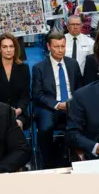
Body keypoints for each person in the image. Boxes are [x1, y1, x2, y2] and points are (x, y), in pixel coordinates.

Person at [32, 33, 83, 168]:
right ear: (49, 46)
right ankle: (48, 162)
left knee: (89, 121)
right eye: (56, 47)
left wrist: (74, 103)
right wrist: (57, 105)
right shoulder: (39, 68)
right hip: (50, 107)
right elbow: (37, 94)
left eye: (63, 46)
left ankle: (78, 158)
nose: (61, 50)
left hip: (72, 105)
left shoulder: (73, 64)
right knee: (45, 127)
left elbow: (80, 88)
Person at [0, 33, 30, 130]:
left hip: (18, 112)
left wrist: (19, 110)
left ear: (15, 48)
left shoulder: (23, 68)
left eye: (11, 46)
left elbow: (25, 96)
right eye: (5, 47)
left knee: (16, 125)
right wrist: (4, 112)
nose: (8, 50)